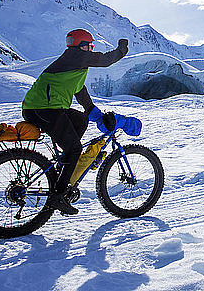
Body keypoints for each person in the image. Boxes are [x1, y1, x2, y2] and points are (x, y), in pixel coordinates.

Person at [22, 29, 128, 215]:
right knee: (75, 149)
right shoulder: (76, 56)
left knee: (80, 120)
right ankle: (59, 195)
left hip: (44, 108)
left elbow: (81, 94)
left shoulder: (73, 66)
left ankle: (65, 163)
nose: (91, 49)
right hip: (45, 109)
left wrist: (94, 113)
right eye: (90, 45)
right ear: (81, 45)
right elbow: (106, 60)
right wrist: (121, 49)